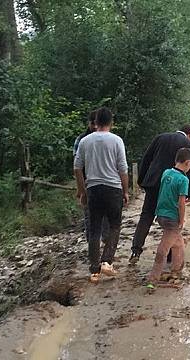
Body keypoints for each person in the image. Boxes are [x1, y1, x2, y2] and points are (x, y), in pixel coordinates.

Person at [74, 107, 130, 283]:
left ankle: (94, 271)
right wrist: (126, 191)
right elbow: (123, 169)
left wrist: (82, 191)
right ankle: (107, 261)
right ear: (111, 122)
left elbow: (77, 168)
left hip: (93, 189)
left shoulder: (85, 141)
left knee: (94, 229)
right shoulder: (116, 140)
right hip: (113, 189)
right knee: (114, 226)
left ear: (95, 122)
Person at [129, 125, 190, 264]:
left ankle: (135, 250)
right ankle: (170, 257)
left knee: (146, 216)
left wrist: (141, 180)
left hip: (154, 184)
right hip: (173, 187)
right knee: (173, 219)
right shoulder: (188, 144)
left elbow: (147, 158)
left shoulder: (161, 137)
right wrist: (189, 193)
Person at [145, 148, 190, 288]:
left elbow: (166, 193)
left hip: (161, 214)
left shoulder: (166, 173)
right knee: (163, 249)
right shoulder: (184, 179)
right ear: (187, 162)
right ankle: (153, 279)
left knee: (178, 244)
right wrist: (181, 220)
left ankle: (176, 271)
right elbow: (181, 203)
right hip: (172, 218)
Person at [74, 111, 110, 246]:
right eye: (93, 123)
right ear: (89, 123)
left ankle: (105, 244)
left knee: (106, 217)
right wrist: (81, 189)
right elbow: (77, 166)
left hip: (106, 183)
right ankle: (93, 248)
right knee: (90, 218)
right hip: (88, 183)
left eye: (97, 123)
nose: (95, 126)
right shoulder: (81, 140)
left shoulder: (109, 138)